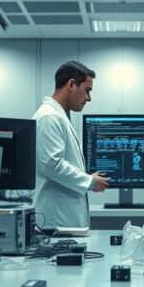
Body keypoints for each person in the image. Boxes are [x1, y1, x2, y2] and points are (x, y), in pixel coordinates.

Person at [32, 61, 108, 229]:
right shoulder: (49, 117)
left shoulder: (57, 116)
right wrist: (89, 181)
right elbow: (52, 165)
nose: (88, 98)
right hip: (56, 220)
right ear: (72, 85)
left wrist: (87, 177)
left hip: (62, 218)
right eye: (87, 91)